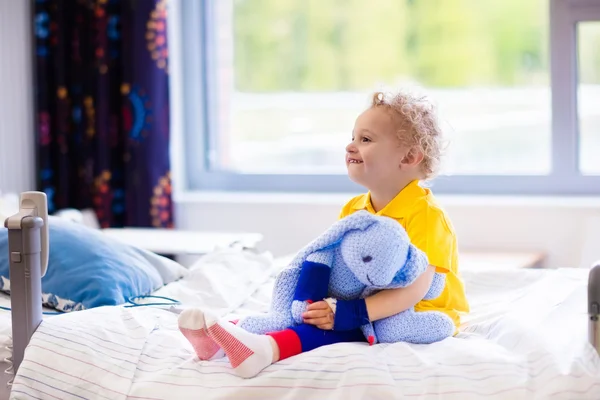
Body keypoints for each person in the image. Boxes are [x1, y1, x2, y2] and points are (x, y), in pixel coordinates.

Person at [178, 89, 470, 378]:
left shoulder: (426, 215)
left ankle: (267, 348)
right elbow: (337, 265)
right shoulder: (355, 209)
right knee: (302, 314)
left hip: (416, 312)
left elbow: (415, 289)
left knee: (353, 327)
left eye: (365, 139)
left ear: (408, 157)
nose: (350, 146)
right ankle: (224, 336)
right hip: (363, 300)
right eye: (352, 137)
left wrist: (351, 313)